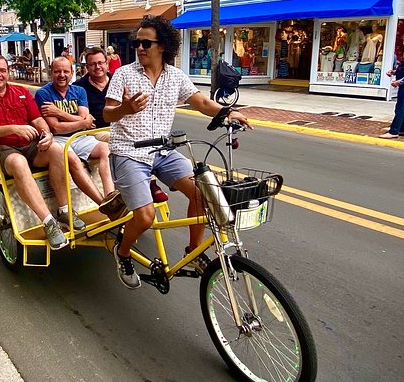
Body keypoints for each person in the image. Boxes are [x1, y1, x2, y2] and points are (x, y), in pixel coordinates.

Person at [102, 15, 249, 289]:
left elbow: (202, 103)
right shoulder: (124, 74)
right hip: (129, 152)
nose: (140, 47)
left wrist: (229, 113)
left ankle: (193, 253)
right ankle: (122, 252)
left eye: (146, 42)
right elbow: (108, 113)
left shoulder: (176, 77)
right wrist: (125, 109)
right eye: (138, 42)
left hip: (162, 150)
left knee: (204, 192)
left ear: (163, 46)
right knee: (145, 217)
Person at [0, 54, 91, 250]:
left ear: (7, 73)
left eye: (2, 70)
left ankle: (64, 210)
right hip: (3, 150)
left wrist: (47, 133)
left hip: (30, 145)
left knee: (57, 149)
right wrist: (12, 128)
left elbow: (38, 120)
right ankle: (49, 222)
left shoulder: (21, 92)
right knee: (19, 163)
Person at [73, 47, 168, 203]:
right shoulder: (79, 87)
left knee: (145, 138)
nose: (97, 67)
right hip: (97, 131)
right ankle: (116, 197)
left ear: (107, 62)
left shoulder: (118, 79)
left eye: (100, 63)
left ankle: (149, 182)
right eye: (92, 64)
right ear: (87, 67)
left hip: (122, 127)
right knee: (120, 139)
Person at [35, 56, 117, 224]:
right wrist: (82, 122)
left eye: (66, 71)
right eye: (57, 71)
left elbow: (85, 118)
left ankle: (110, 198)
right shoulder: (43, 93)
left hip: (79, 137)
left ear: (72, 73)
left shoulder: (79, 91)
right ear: (51, 73)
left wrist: (59, 113)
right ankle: (103, 205)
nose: (62, 75)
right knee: (71, 158)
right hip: (58, 140)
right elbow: (56, 127)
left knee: (105, 149)